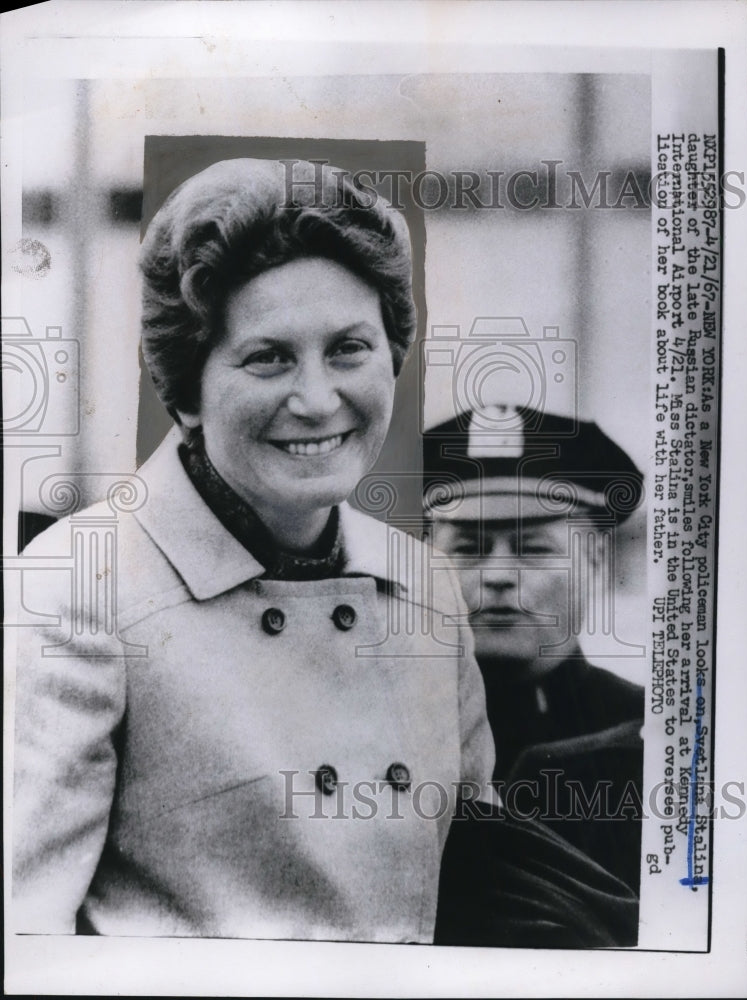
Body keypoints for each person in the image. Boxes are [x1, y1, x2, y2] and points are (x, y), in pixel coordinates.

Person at [12, 158, 497, 942]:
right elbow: (23, 937)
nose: (316, 399)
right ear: (187, 391)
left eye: (349, 349)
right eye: (267, 356)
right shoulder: (77, 587)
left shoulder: (423, 583)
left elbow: (483, 886)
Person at [424, 403, 645, 894]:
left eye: (533, 548)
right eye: (468, 548)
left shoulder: (649, 738)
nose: (499, 575)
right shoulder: (385, 730)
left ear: (597, 560)